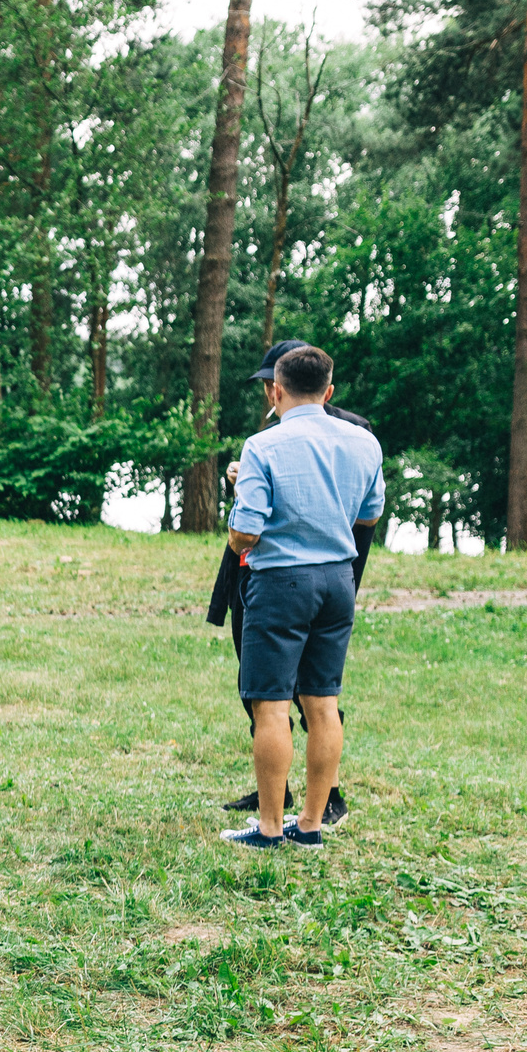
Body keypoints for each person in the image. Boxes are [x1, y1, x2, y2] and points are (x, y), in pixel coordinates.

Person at [219, 343, 383, 851]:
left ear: (276, 389)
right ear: (328, 391)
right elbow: (370, 515)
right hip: (338, 581)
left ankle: (269, 827)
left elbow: (246, 532)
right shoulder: (364, 443)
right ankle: (310, 824)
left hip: (281, 584)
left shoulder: (262, 447)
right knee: (323, 703)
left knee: (269, 705)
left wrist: (236, 535)